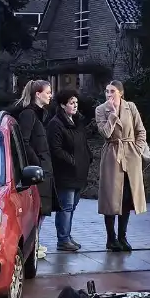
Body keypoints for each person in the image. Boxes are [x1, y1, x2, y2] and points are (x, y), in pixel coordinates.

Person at [93, 80, 148, 252]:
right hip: (112, 154)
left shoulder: (130, 107)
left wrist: (138, 149)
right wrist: (112, 114)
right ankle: (111, 238)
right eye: (107, 91)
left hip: (131, 154)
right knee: (111, 198)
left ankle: (123, 236)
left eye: (112, 91)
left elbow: (141, 130)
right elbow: (105, 132)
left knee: (126, 197)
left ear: (121, 93)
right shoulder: (101, 109)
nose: (109, 95)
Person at [9, 80, 55, 258]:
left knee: (42, 210)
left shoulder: (40, 115)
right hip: (37, 170)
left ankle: (37, 242)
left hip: (43, 168)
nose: (51, 95)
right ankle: (34, 244)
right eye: (48, 92)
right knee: (37, 209)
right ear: (38, 94)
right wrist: (37, 164)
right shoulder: (29, 114)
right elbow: (25, 142)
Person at [46, 88, 94, 251]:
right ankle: (63, 239)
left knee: (72, 206)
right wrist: (72, 161)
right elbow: (56, 149)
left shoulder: (77, 121)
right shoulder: (56, 124)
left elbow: (83, 143)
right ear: (62, 105)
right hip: (65, 173)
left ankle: (67, 235)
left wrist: (88, 157)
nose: (75, 106)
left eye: (76, 103)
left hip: (79, 172)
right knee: (65, 207)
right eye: (71, 103)